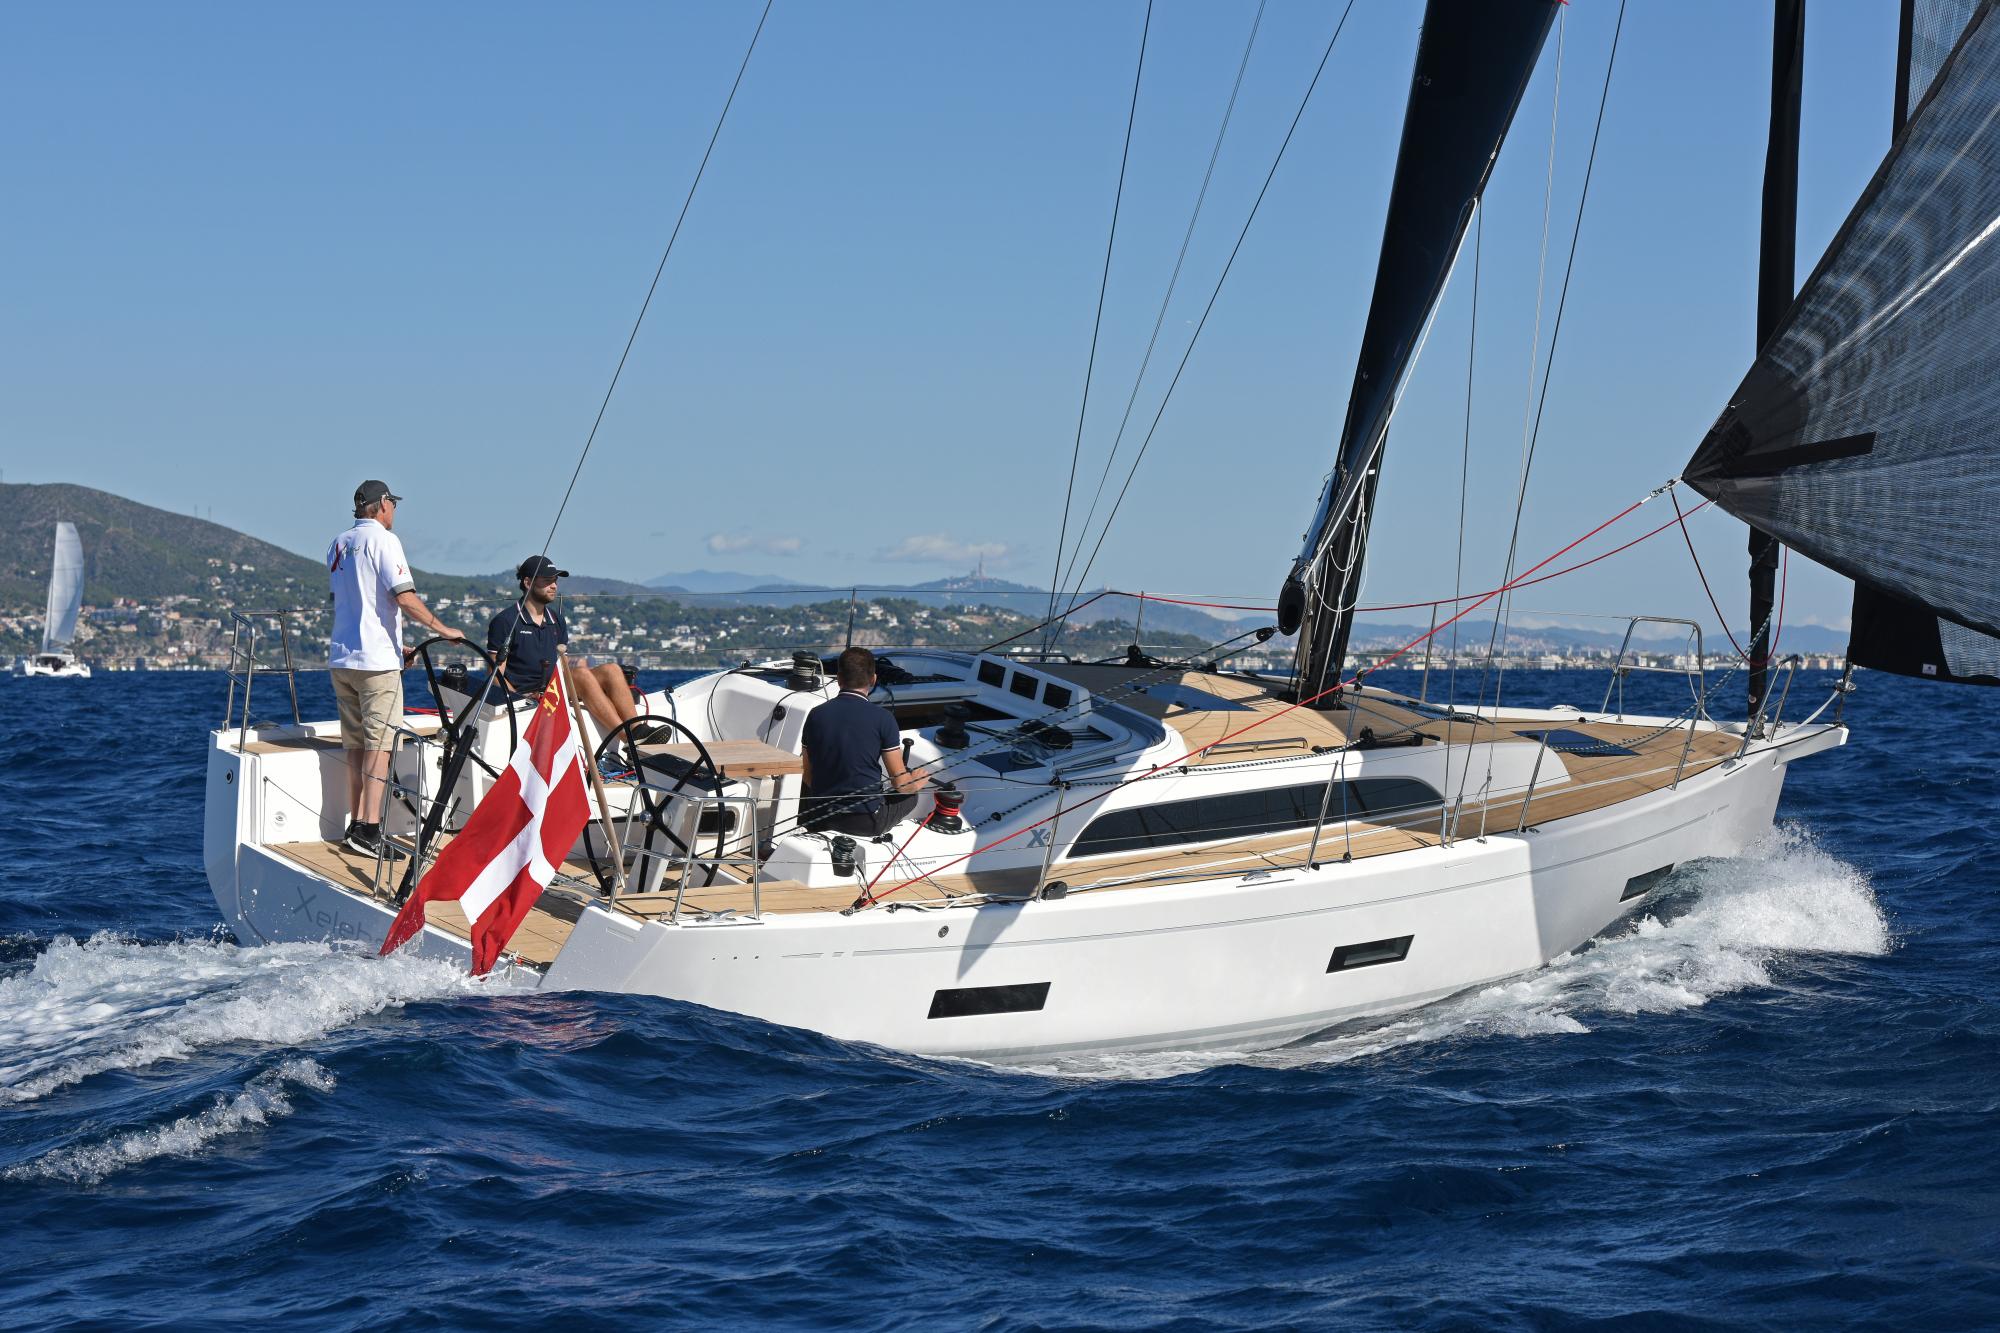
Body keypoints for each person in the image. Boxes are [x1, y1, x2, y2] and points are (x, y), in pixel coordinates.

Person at [327, 479, 464, 857]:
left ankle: (356, 824)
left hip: (343, 659)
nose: (395, 511)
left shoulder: (338, 543)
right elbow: (404, 597)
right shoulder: (385, 541)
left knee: (356, 746)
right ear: (383, 504)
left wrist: (394, 645)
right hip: (376, 665)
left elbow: (359, 601)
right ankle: (369, 830)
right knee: (381, 745)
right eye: (394, 504)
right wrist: (443, 630)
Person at [485, 555, 642, 736]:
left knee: (612, 670)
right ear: (528, 583)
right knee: (582, 675)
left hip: (555, 689)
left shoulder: (556, 620)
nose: (554, 586)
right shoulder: (505, 621)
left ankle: (638, 729)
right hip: (527, 695)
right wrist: (521, 700)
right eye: (547, 581)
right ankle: (627, 738)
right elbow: (494, 675)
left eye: (555, 581)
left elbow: (563, 665)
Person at [800, 646, 926, 836]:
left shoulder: (815, 714)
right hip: (865, 822)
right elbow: (901, 784)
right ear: (873, 679)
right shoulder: (883, 719)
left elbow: (808, 777)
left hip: (820, 817)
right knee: (910, 797)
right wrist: (916, 782)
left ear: (839, 679)